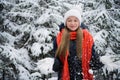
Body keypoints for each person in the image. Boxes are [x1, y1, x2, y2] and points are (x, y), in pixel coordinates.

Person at [52, 6, 104, 80]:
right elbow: (56, 54)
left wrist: (97, 63)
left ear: (79, 22)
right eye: (69, 20)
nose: (72, 23)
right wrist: (57, 62)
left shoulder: (87, 37)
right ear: (66, 22)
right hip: (66, 74)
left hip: (82, 74)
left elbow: (92, 54)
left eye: (75, 20)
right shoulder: (59, 38)